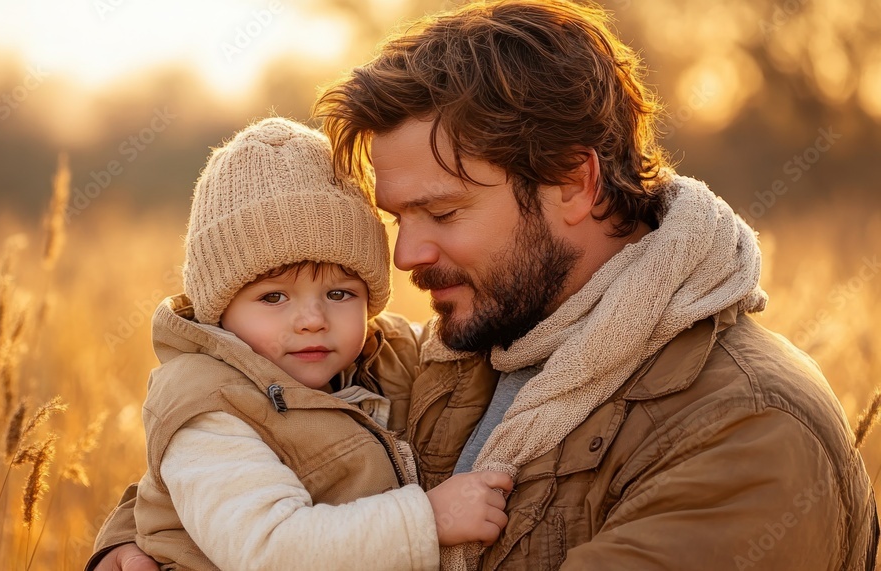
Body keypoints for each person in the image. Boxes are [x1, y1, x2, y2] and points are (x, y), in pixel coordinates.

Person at [91, 1, 879, 569]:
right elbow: (248, 414)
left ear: (573, 183)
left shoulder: (749, 434)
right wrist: (131, 544)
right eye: (398, 216)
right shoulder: (454, 348)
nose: (405, 257)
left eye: (441, 210)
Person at [117, 117, 512, 571]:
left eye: (339, 294)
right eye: (273, 297)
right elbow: (269, 550)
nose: (311, 320)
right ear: (219, 309)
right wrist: (428, 521)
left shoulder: (391, 352)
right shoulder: (208, 410)